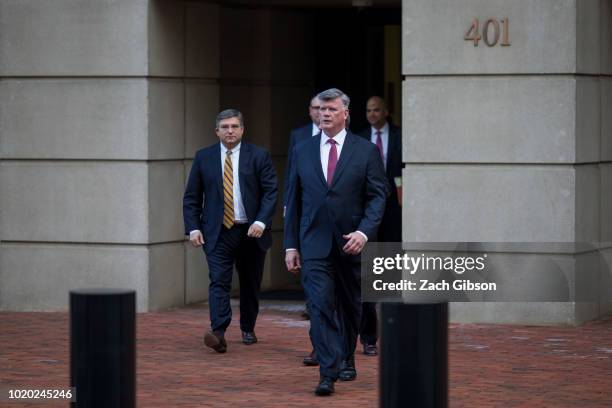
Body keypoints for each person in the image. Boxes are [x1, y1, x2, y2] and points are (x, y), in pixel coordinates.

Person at [284, 88, 387, 396]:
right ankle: (327, 371)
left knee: (350, 306)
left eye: (331, 109)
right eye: (321, 110)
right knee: (319, 306)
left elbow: (378, 197)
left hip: (351, 242)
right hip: (313, 243)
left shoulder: (365, 151)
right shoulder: (302, 149)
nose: (325, 114)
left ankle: (347, 357)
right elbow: (293, 200)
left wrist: (364, 232)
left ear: (345, 113)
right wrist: (290, 244)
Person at [183, 109, 278, 353]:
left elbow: (270, 192)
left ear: (242, 129)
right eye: (224, 127)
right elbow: (192, 197)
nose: (230, 131)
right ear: (216, 131)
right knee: (219, 281)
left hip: (251, 230)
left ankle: (247, 327)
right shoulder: (203, 157)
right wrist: (193, 228)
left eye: (234, 126)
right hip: (217, 231)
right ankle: (218, 332)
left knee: (250, 282)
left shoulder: (258, 155)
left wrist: (261, 222)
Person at [357, 96, 403, 356]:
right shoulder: (360, 137)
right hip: (368, 203)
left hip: (394, 201)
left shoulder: (399, 135)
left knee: (392, 243)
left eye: (376, 110)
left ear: (386, 112)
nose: (372, 114)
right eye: (369, 110)